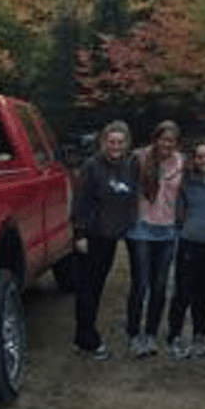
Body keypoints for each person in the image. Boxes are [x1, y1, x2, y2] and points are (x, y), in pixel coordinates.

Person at [72, 120, 138, 360]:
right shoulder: (91, 166)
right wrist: (80, 233)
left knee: (97, 287)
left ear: (126, 143)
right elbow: (80, 201)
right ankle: (86, 338)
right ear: (103, 142)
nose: (115, 146)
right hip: (93, 234)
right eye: (111, 141)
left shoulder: (128, 166)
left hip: (111, 235)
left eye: (120, 142)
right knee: (88, 288)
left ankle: (83, 335)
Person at [125, 121, 185, 358]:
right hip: (140, 229)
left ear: (177, 143)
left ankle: (150, 333)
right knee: (141, 284)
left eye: (171, 140)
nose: (166, 144)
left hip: (168, 231)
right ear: (155, 139)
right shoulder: (139, 158)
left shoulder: (182, 162)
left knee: (160, 285)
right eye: (163, 139)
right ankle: (133, 332)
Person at [164, 139, 205, 359]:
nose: (203, 160)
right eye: (199, 156)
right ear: (194, 160)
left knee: (202, 294)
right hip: (189, 244)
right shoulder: (187, 181)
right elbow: (179, 210)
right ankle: (174, 336)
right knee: (182, 293)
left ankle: (199, 336)